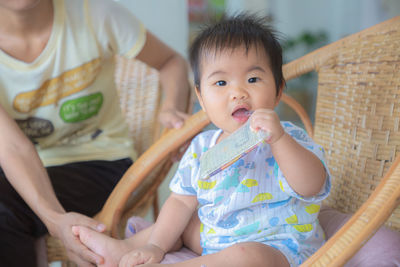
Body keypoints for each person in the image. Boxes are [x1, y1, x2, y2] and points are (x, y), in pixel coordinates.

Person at [73, 14, 332, 267]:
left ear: (277, 92)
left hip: (279, 248)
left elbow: (311, 185)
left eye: (253, 79)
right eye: (221, 82)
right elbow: (180, 201)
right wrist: (157, 246)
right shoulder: (202, 147)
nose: (238, 93)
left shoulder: (289, 136)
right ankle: (125, 249)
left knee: (246, 256)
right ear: (202, 99)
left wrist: (280, 140)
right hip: (216, 240)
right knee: (181, 221)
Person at [0, 0, 190, 266]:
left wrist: (171, 108)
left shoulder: (95, 14)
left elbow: (172, 61)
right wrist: (55, 220)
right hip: (21, 167)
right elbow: (12, 148)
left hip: (100, 160)